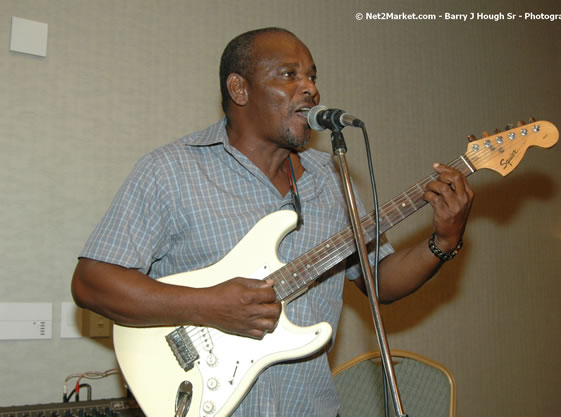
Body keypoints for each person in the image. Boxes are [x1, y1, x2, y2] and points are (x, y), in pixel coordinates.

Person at [71, 27, 473, 416]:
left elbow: (380, 280)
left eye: (312, 76)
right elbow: (92, 282)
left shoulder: (333, 181)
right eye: (289, 74)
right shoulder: (171, 170)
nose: (310, 88)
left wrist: (444, 238)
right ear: (239, 89)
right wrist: (209, 305)